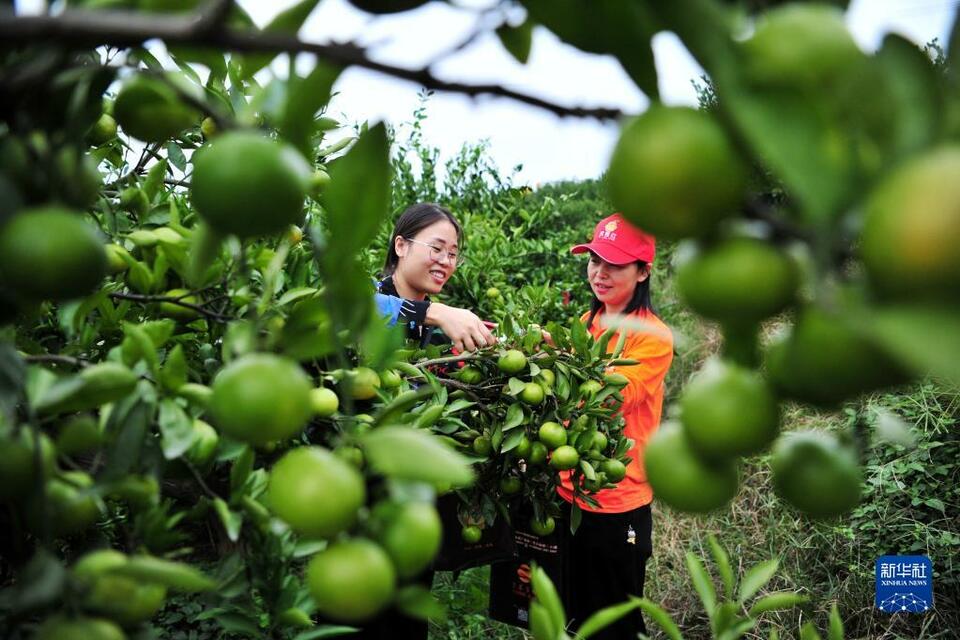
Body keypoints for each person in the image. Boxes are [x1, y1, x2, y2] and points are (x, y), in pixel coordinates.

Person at [556, 213, 674, 639]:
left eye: (614, 264)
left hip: (617, 500)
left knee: (615, 624)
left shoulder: (652, 337)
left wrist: (559, 364)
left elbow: (612, 395)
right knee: (572, 617)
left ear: (643, 271)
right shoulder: (588, 325)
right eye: (593, 261)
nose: (599, 274)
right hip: (568, 494)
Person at [374, 202, 495, 351]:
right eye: (436, 248)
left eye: (452, 254)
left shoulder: (441, 334)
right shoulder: (370, 296)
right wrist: (434, 311)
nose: (446, 261)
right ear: (401, 246)